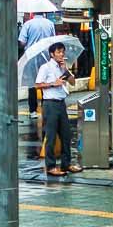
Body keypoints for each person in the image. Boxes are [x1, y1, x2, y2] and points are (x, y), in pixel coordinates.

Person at [34, 42, 79, 177]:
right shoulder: (45, 68)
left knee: (66, 135)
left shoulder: (62, 67)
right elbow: (37, 85)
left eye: (62, 52)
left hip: (61, 103)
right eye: (58, 52)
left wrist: (66, 70)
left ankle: (66, 164)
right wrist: (54, 83)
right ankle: (51, 166)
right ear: (52, 54)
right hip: (50, 104)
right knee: (51, 136)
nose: (61, 54)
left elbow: (72, 82)